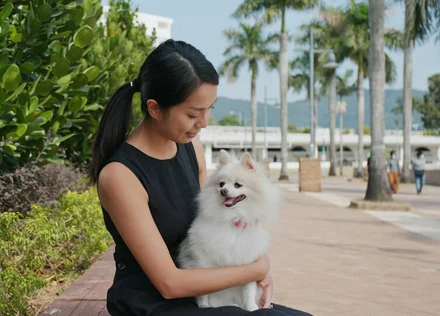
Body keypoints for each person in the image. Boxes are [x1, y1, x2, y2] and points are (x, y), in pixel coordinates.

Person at [89, 39, 311, 316]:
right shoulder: (120, 175)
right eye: (193, 114)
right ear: (155, 108)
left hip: (206, 288)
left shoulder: (192, 147)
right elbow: (169, 283)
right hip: (154, 301)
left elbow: (215, 224)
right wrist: (255, 269)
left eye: (209, 109)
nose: (204, 123)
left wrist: (254, 263)